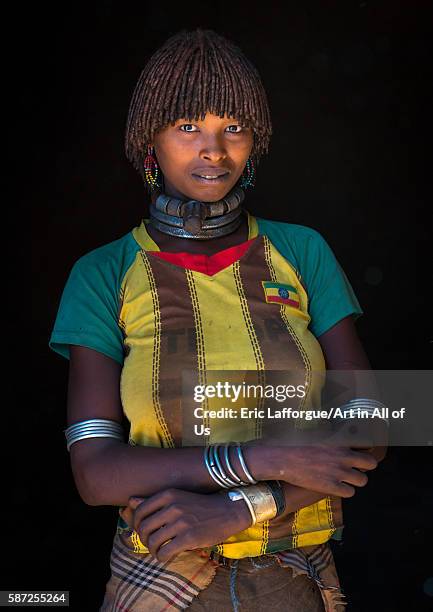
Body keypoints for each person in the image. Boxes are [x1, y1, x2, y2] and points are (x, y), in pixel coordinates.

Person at [49, 28, 386, 611]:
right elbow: (95, 474)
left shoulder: (301, 251)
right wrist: (267, 459)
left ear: (255, 141)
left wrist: (239, 507)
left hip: (294, 578)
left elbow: (371, 428)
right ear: (147, 140)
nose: (214, 150)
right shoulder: (103, 273)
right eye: (188, 128)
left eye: (234, 127)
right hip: (160, 578)